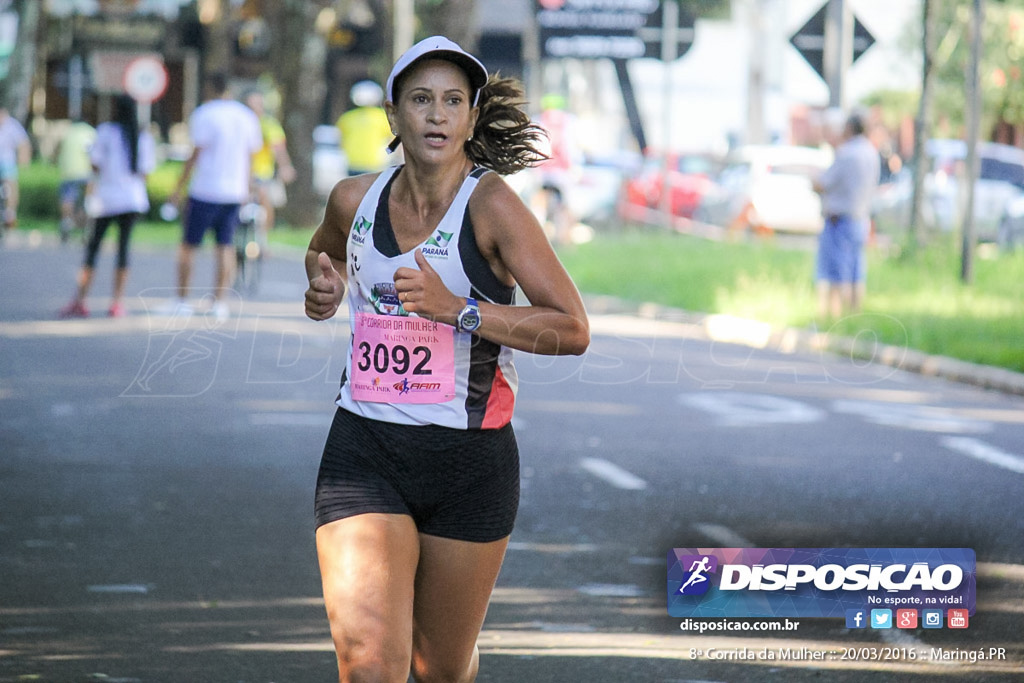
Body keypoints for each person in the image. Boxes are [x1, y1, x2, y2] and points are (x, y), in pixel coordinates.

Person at [303, 36, 589, 682]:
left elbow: (572, 327)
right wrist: (321, 289)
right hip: (365, 447)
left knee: (440, 667)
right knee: (371, 662)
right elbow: (321, 260)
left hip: (471, 461)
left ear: (471, 117)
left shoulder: (491, 208)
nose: (437, 115)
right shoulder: (354, 200)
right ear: (394, 113)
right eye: (422, 99)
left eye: (453, 101)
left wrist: (458, 307)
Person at [168, 73, 262, 320]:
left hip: (205, 190)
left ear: (209, 87)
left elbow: (194, 154)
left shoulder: (204, 113)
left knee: (189, 246)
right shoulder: (246, 116)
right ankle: (219, 302)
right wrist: (248, 187)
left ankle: (182, 300)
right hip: (234, 191)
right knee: (226, 247)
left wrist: (178, 188)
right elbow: (250, 157)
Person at [59, 94, 155, 318]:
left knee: (92, 250)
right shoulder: (143, 136)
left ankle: (80, 300)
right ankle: (117, 302)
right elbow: (146, 172)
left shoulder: (106, 132)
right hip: (132, 199)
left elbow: (95, 165)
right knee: (123, 249)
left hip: (107, 199)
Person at [812, 111, 880, 319]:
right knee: (856, 272)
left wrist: (812, 181)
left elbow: (823, 183)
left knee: (835, 273)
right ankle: (855, 316)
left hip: (839, 220)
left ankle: (834, 317)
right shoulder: (871, 153)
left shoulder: (846, 153)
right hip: (861, 219)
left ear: (849, 128)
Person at [244, 88, 295, 241]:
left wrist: (285, 167)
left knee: (265, 198)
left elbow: (278, 149)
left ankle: (263, 239)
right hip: (242, 173)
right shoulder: (241, 123)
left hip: (262, 172)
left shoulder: (268, 124)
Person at [335, 79, 393, 176]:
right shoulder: (383, 117)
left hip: (353, 163)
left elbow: (340, 139)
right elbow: (391, 139)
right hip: (375, 164)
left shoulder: (347, 117)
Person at [56, 116, 96, 242]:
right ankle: (87, 227)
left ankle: (66, 222)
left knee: (67, 199)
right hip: (86, 172)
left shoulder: (68, 132)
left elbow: (58, 150)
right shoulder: (90, 132)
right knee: (89, 199)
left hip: (68, 172)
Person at [0, 105, 31, 228]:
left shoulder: (12, 125)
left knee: (11, 184)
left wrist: (24, 160)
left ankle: (10, 213)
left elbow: (23, 143)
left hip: (7, 162)